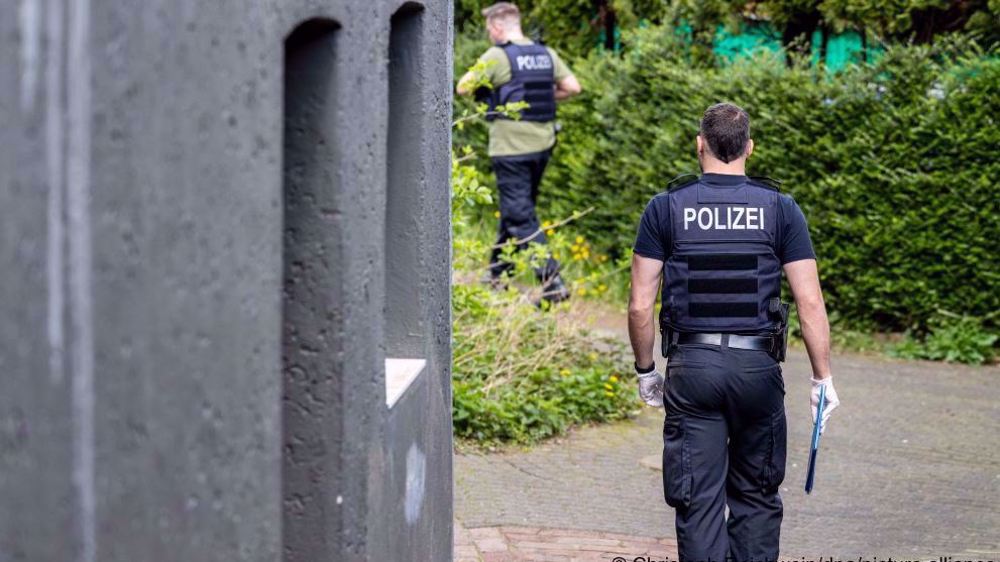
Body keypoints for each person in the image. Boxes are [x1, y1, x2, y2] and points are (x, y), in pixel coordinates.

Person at [627, 102, 841, 561]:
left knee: (697, 499)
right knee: (757, 496)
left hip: (693, 370)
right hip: (757, 370)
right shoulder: (781, 210)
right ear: (750, 148)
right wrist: (822, 378)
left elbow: (641, 303)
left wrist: (646, 371)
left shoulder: (666, 208)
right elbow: (810, 301)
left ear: (699, 144)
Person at [456, 1, 582, 303]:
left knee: (518, 213)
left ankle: (552, 281)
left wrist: (501, 93)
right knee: (519, 210)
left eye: (489, 29)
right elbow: (573, 87)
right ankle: (498, 275)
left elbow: (463, 87)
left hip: (510, 149)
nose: (489, 34)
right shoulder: (545, 54)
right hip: (542, 144)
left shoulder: (498, 56)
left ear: (498, 27)